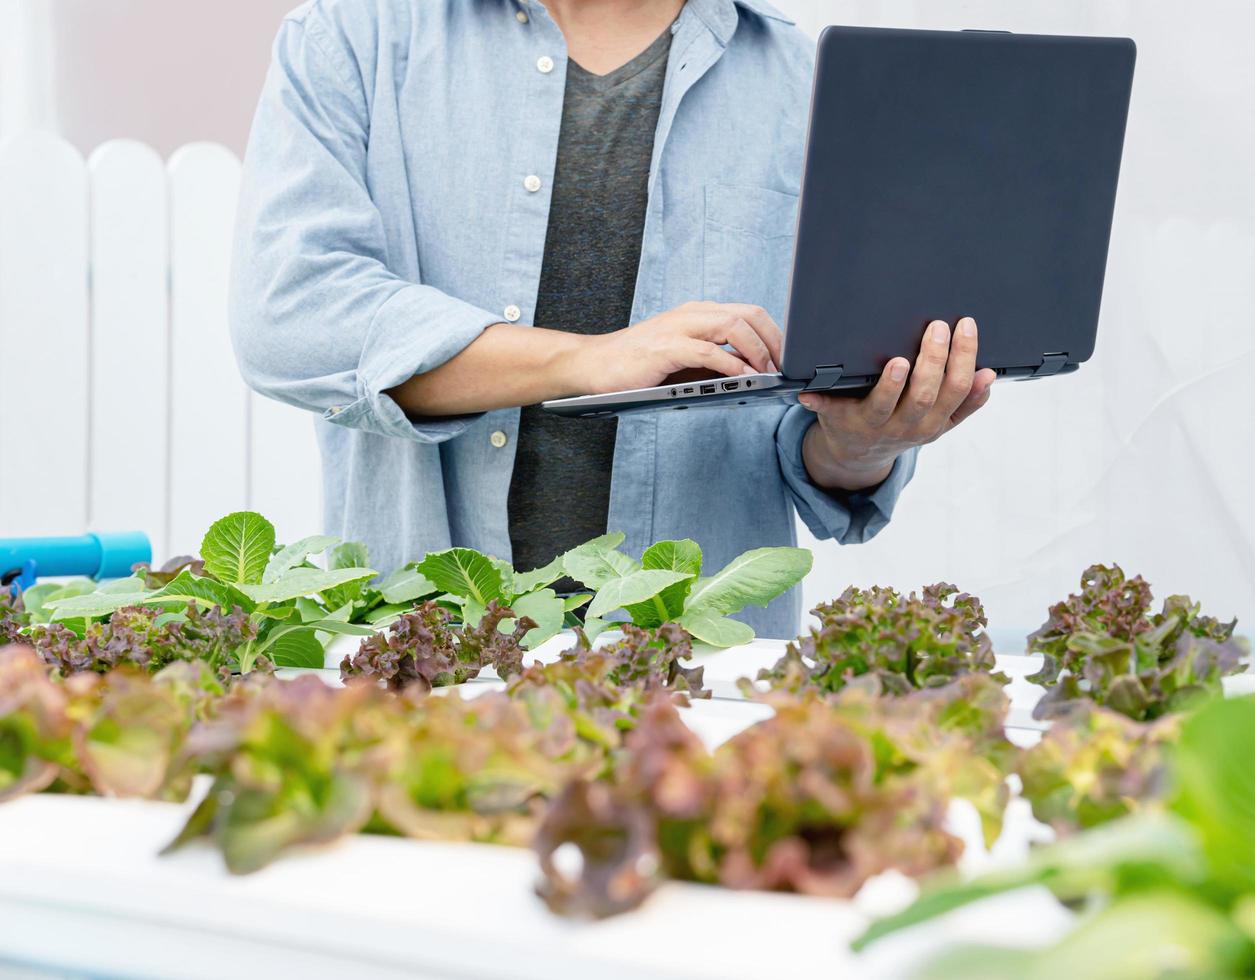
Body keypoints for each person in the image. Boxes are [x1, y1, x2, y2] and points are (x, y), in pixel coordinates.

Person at [230, 0, 997, 638]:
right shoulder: (352, 39)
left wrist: (863, 446)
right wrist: (585, 360)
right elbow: (291, 313)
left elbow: (813, 438)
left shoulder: (804, 84)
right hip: (424, 671)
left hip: (697, 697)